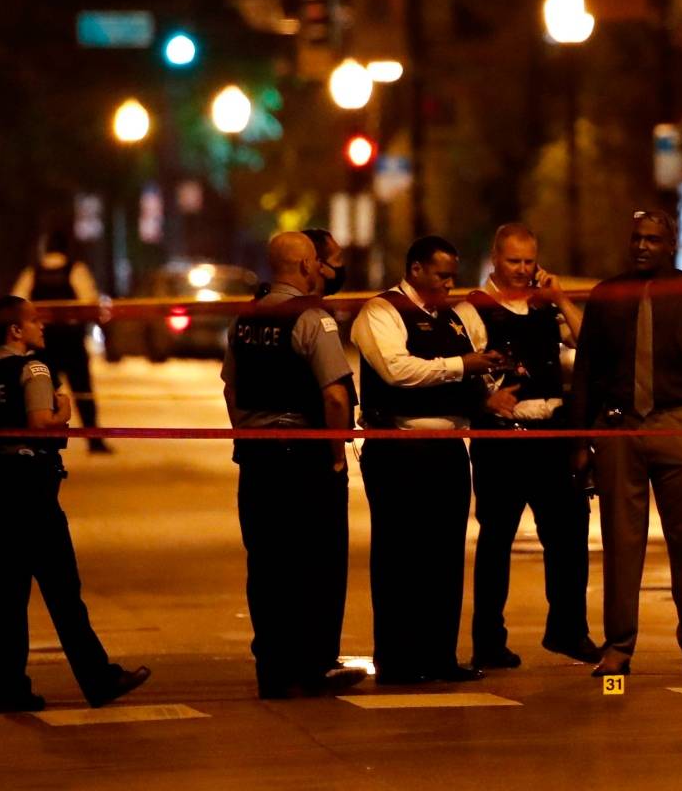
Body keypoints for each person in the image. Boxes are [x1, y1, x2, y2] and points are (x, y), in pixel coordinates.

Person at [0, 297, 150, 713]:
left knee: (8, 593)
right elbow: (40, 424)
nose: (41, 326)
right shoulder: (34, 369)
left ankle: (10, 687)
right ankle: (98, 679)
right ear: (15, 331)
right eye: (33, 320)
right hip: (30, 491)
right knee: (63, 591)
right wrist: (65, 411)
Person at [580, 210, 682, 679]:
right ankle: (618, 647)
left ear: (671, 245)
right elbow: (587, 369)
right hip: (620, 426)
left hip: (678, 420)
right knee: (620, 544)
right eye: (637, 239)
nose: (642, 246)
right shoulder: (608, 295)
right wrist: (582, 438)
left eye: (652, 239)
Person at [353, 235, 506, 684]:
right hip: (399, 447)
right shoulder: (382, 311)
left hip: (448, 447)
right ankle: (398, 661)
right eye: (441, 275)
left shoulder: (452, 318)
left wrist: (487, 383)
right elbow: (396, 370)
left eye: (452, 276)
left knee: (444, 556)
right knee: (400, 556)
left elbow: (471, 371)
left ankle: (439, 656)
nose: (448, 284)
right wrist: (461, 366)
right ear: (416, 269)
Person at [221, 232, 361, 699]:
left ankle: (273, 669)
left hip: (257, 456)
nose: (321, 270)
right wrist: (336, 454)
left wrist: (245, 435)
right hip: (302, 454)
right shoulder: (312, 319)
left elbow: (231, 390)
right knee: (314, 562)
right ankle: (313, 664)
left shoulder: (243, 319)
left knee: (265, 563)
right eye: (317, 263)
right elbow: (335, 396)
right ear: (305, 266)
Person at [455, 223, 599, 670]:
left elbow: (591, 346)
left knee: (569, 534)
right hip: (501, 440)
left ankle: (568, 630)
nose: (521, 269)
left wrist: (560, 299)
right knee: (496, 540)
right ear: (495, 259)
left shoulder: (545, 307)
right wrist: (484, 400)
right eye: (513, 261)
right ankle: (488, 641)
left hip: (551, 436)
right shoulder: (471, 310)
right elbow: (456, 369)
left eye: (529, 261)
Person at [12, 231, 107, 453]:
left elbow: (17, 299)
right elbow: (89, 300)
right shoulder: (76, 269)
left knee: (42, 393)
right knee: (83, 391)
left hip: (43, 342)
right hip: (72, 340)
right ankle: (94, 440)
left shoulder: (33, 272)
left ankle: (42, 440)